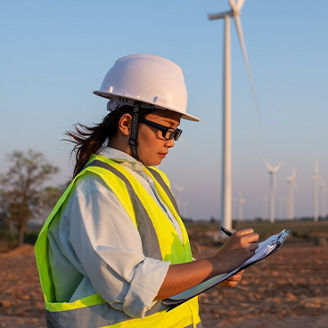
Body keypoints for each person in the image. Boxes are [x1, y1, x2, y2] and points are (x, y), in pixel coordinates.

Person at [35, 54, 259, 328]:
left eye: (175, 133)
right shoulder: (96, 189)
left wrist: (215, 271)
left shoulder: (151, 182)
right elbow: (132, 284)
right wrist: (217, 263)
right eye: (165, 130)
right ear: (127, 123)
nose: (171, 143)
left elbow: (162, 269)